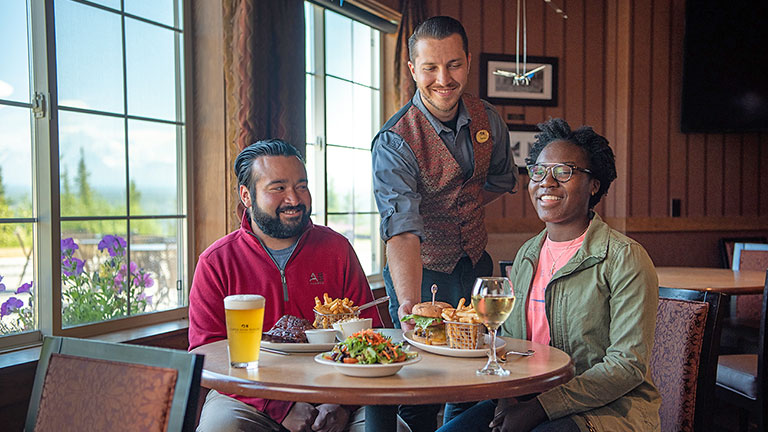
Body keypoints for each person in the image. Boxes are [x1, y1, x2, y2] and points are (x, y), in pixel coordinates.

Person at [437, 118, 661, 432]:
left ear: (593, 184)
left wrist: (541, 408)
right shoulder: (528, 254)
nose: (547, 182)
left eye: (564, 172)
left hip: (606, 409)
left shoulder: (624, 258)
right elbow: (509, 343)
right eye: (539, 171)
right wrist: (507, 399)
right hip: (524, 397)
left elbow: (627, 365)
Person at [372, 16, 518, 430]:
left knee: (472, 381)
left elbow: (501, 180)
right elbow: (401, 228)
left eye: (453, 65)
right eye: (431, 67)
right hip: (421, 271)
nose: (443, 78)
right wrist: (407, 302)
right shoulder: (395, 140)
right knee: (420, 386)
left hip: (474, 268)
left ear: (468, 62)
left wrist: (462, 205)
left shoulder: (489, 118)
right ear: (412, 69)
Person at [189, 139, 386, 432]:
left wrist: (342, 403)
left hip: (340, 387)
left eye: (301, 186)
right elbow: (206, 352)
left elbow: (372, 335)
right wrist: (280, 408)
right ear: (246, 195)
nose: (294, 199)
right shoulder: (216, 261)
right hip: (248, 395)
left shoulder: (337, 249)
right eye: (278, 188)